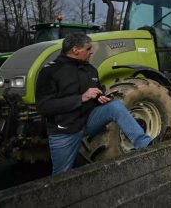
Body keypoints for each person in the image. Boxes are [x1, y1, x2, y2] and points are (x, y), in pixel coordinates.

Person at [36, 34, 151, 175]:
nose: (91, 52)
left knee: (115, 107)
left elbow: (96, 91)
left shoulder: (90, 70)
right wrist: (81, 98)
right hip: (65, 130)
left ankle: (145, 145)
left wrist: (100, 97)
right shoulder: (50, 71)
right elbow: (44, 106)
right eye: (88, 49)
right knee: (61, 177)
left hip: (89, 120)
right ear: (75, 50)